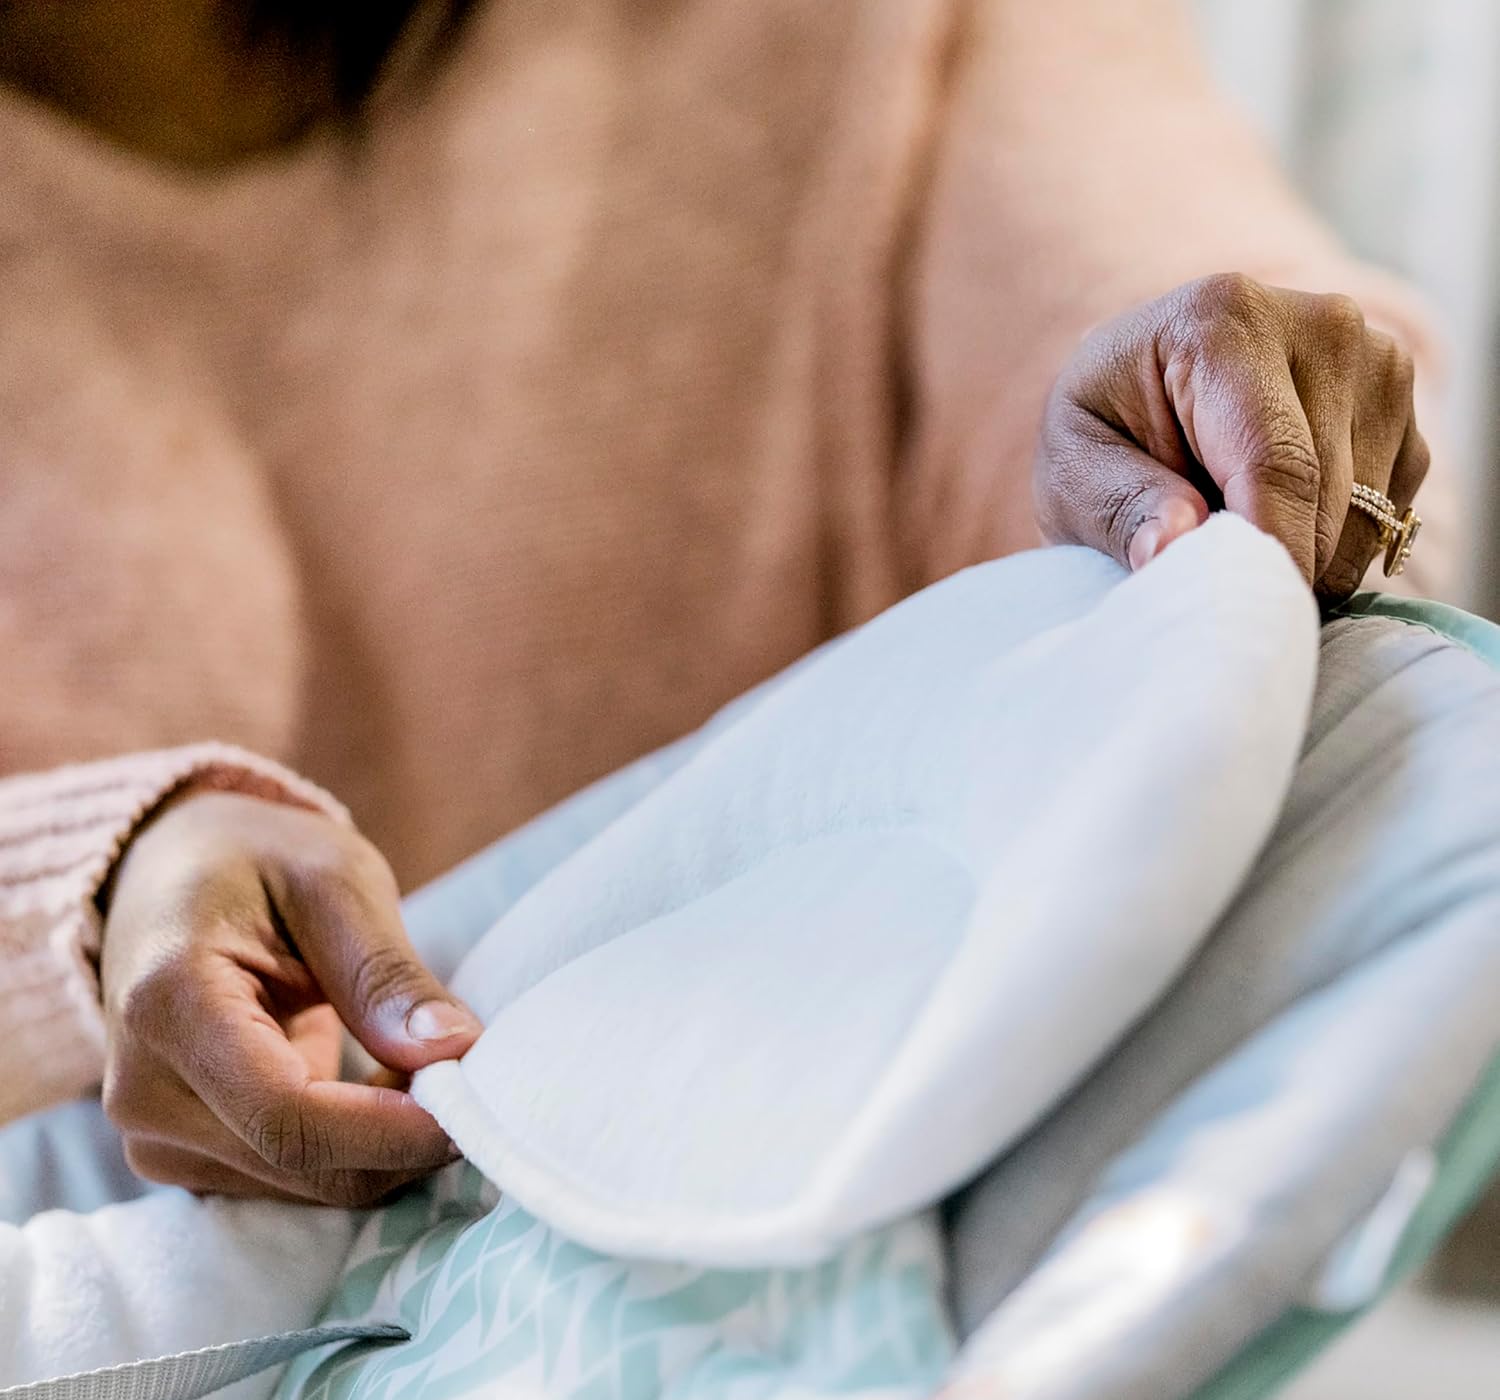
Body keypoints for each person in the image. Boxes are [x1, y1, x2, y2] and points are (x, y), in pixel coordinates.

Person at [0, 0, 1450, 1206]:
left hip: (916, 1345)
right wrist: (87, 882)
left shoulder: (868, 37)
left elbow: (1196, 334)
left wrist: (1242, 430)